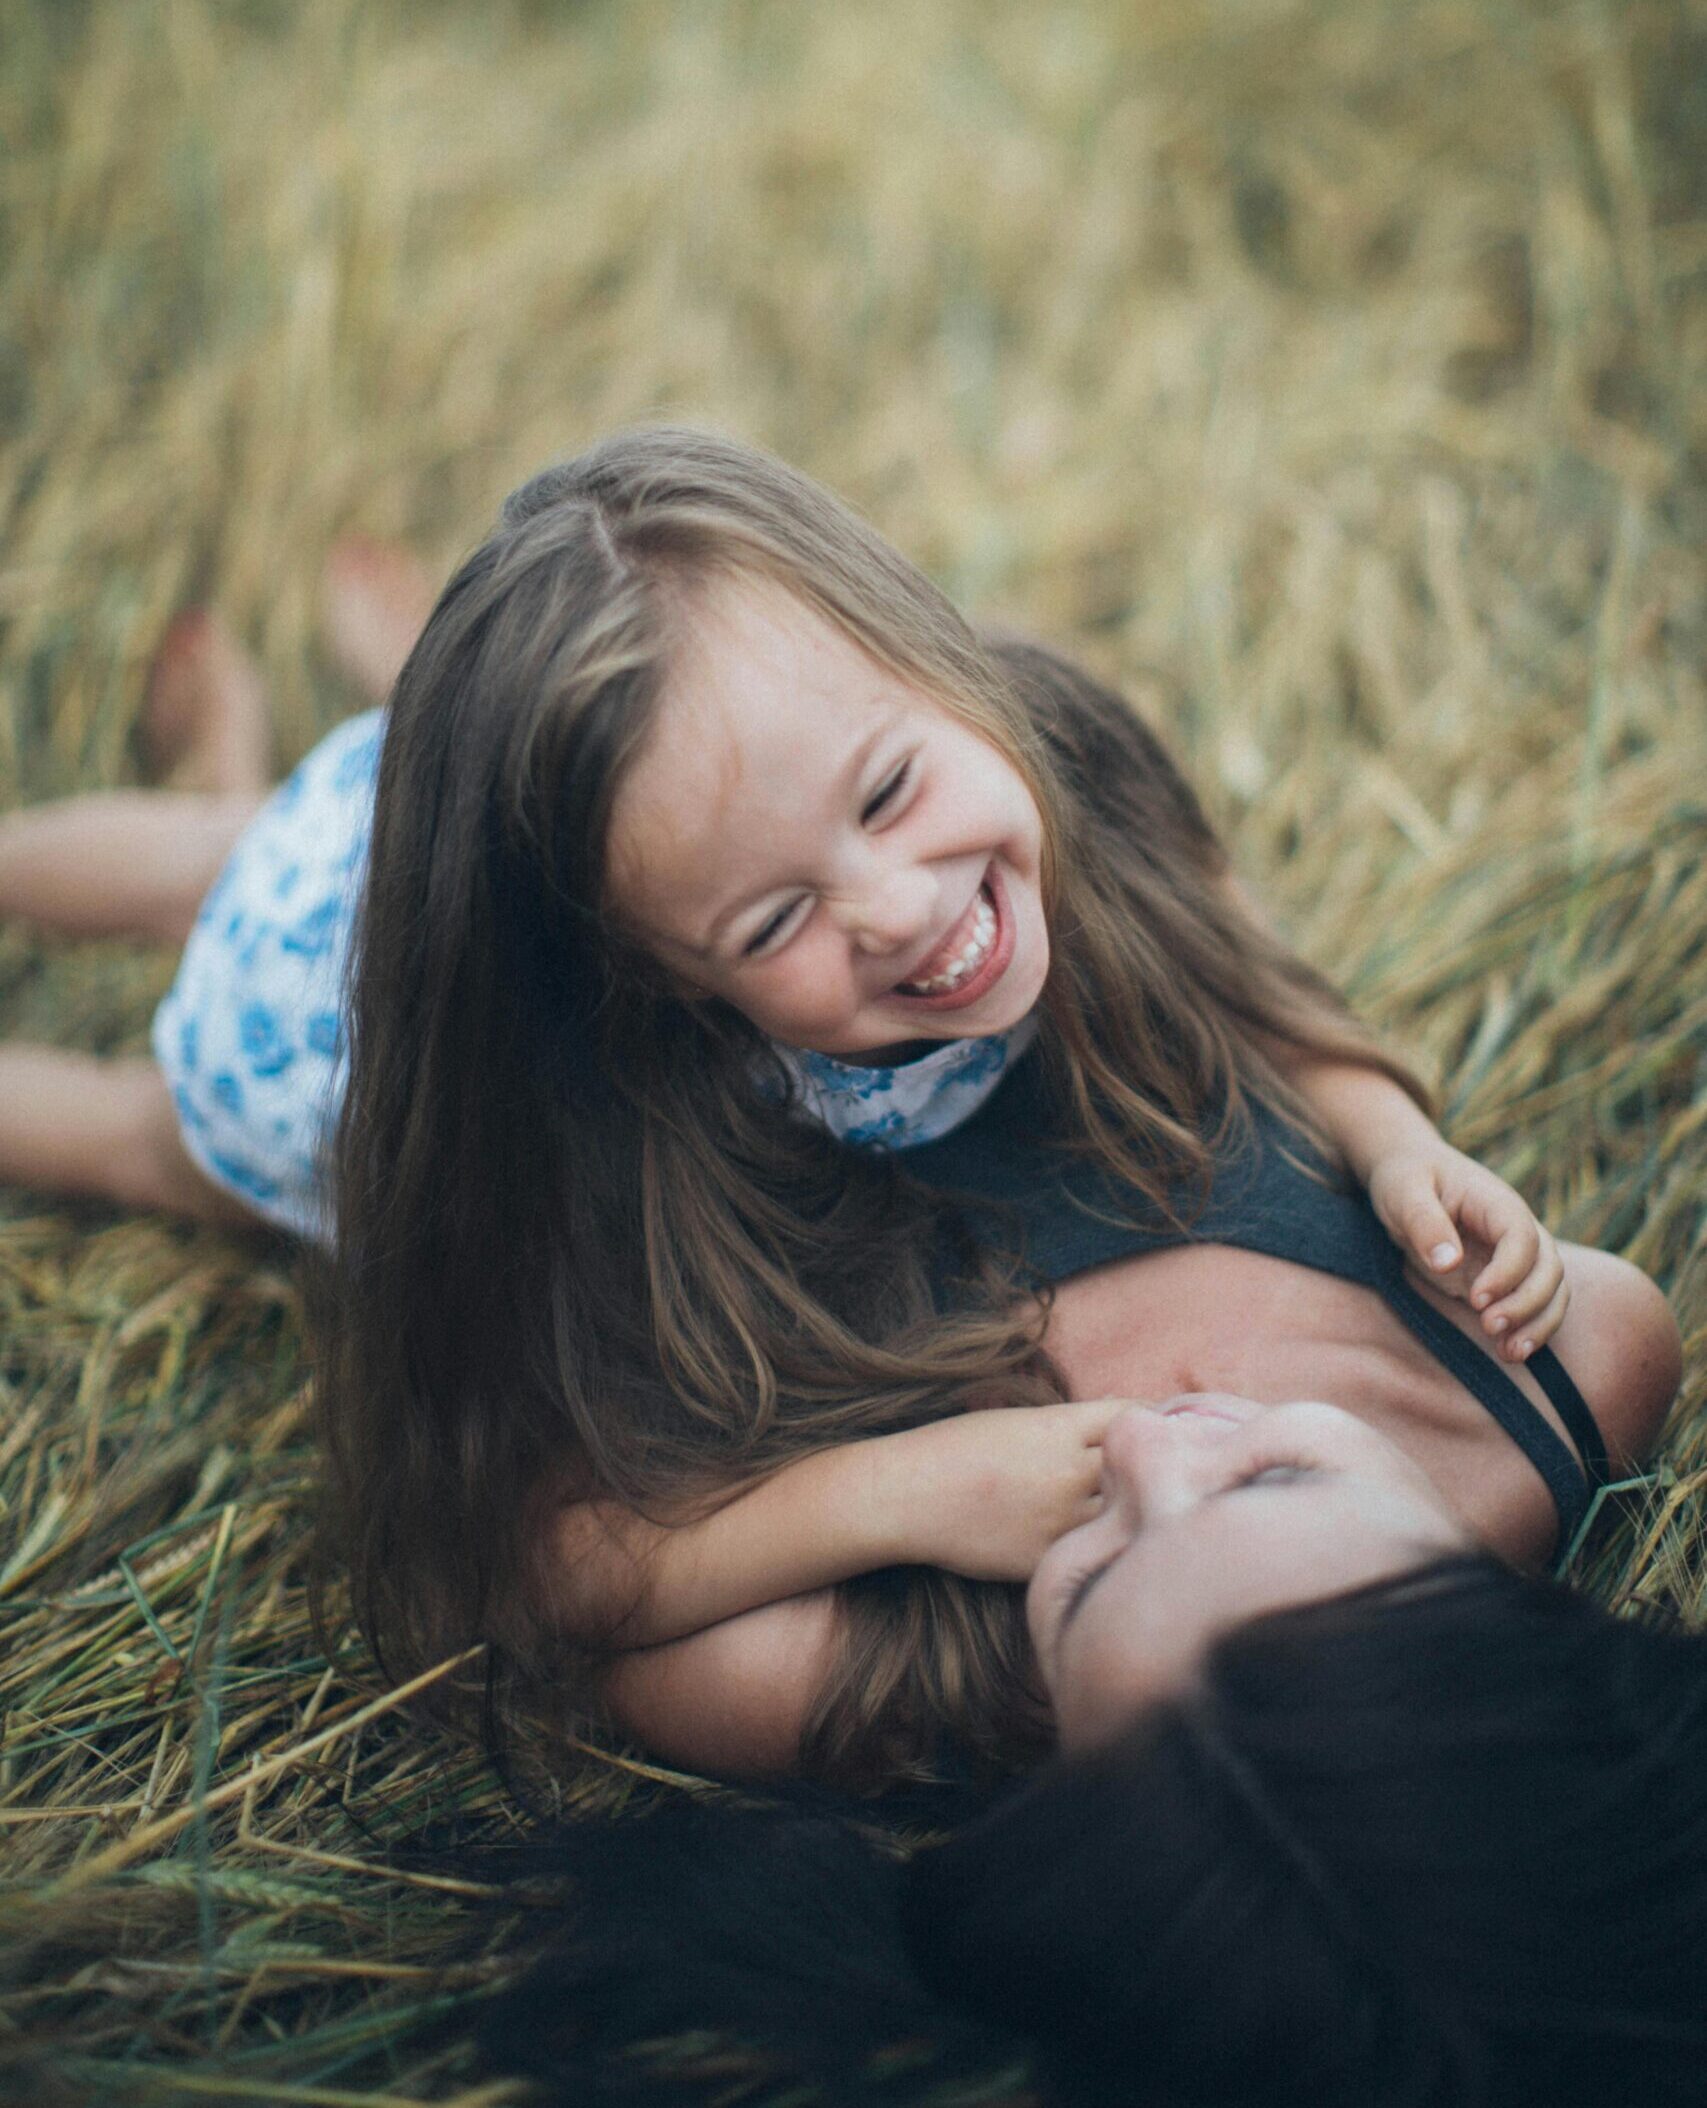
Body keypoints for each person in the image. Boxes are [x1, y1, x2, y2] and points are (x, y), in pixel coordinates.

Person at [0, 428, 1679, 1786]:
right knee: (231, 864)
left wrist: (923, 1487)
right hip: (367, 935)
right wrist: (1398, 1139)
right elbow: (1262, 992)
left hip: (333, 1068)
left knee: (153, 1134)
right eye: (777, 917)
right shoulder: (771, 991)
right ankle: (312, 756)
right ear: (665, 984)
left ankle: (342, 747)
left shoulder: (927, 1657)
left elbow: (548, 1565)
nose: (889, 908)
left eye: (886, 793)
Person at [898, 1395, 1707, 2106]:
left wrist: (874, 1495)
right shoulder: (1561, 1386)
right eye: (1275, 1480)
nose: (1136, 1438)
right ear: (1527, 1594)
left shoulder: (889, 1687)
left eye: (1092, 1584)